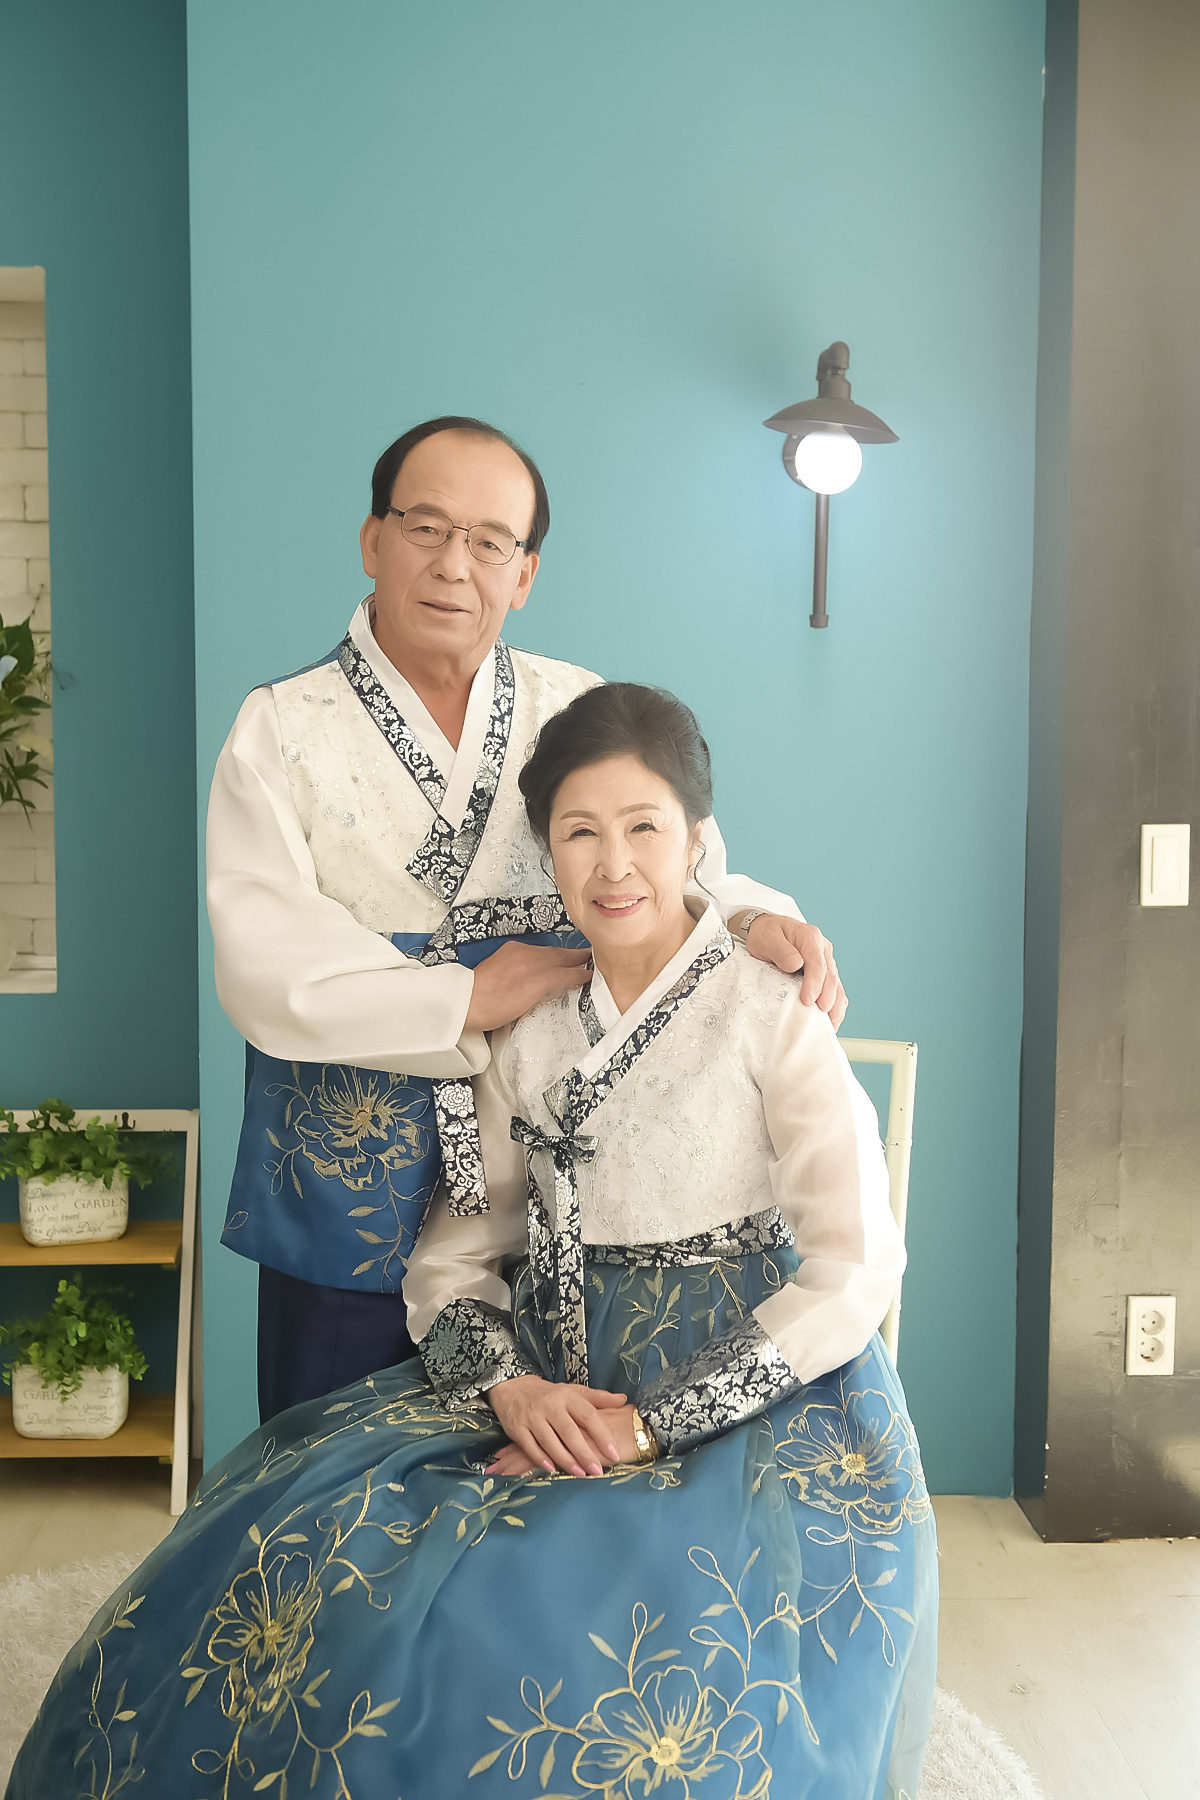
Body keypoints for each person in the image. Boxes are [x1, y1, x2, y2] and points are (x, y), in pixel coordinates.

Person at [9, 683, 935, 1800]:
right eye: (579, 834)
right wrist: (513, 1390)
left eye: (644, 828)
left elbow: (856, 1267)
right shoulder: (526, 1028)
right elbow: (454, 1257)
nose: (614, 866)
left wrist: (650, 1423)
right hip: (543, 1366)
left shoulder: (773, 1012)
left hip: (744, 1381)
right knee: (304, 1551)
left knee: (623, 1651)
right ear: (548, 854)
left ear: (698, 841)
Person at [207, 415, 847, 1421]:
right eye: (425, 527)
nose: (454, 564)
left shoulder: (573, 703)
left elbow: (680, 866)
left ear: (525, 573)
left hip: (555, 1174)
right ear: (373, 539)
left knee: (539, 1461)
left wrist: (749, 920)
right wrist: (462, 997)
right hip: (352, 1176)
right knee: (331, 1468)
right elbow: (262, 961)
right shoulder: (282, 727)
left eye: (490, 541)